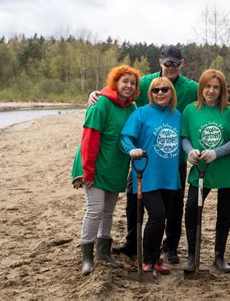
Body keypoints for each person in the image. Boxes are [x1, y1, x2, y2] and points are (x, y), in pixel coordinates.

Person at [89, 45, 198, 264]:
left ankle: (170, 247)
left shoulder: (191, 87)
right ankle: (132, 243)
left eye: (175, 63)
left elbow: (212, 94)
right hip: (144, 159)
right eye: (167, 63)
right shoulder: (147, 82)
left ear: (182, 64)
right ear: (160, 62)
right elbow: (121, 88)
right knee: (133, 200)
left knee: (174, 204)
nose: (171, 67)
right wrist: (97, 93)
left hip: (174, 159)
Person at [71, 65, 140, 276]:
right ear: (115, 83)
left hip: (115, 166)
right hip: (94, 165)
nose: (128, 86)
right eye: (124, 81)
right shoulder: (101, 103)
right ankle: (87, 257)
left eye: (132, 83)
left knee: (108, 211)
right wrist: (88, 172)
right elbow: (89, 139)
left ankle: (103, 252)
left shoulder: (132, 108)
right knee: (95, 209)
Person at [181, 69, 230, 273]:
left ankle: (219, 256)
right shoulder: (190, 110)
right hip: (201, 169)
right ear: (201, 88)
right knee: (191, 210)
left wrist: (216, 153)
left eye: (216, 87)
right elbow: (185, 137)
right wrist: (190, 152)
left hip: (227, 169)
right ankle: (192, 255)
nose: (211, 91)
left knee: (224, 213)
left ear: (222, 90)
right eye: (208, 86)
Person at [120, 77, 181, 274]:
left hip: (170, 177)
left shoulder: (177, 115)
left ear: (171, 92)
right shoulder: (141, 114)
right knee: (157, 215)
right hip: (147, 175)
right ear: (151, 94)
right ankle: (147, 260)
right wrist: (132, 150)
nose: (160, 93)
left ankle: (155, 260)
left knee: (162, 219)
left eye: (165, 89)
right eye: (156, 90)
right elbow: (125, 137)